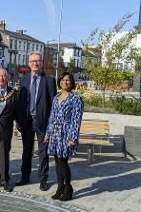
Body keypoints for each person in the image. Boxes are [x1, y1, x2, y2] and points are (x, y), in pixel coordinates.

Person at [16, 52, 56, 191]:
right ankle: (25, 177)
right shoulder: (24, 79)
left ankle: (43, 179)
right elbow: (21, 102)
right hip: (27, 121)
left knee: (43, 152)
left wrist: (51, 127)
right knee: (27, 151)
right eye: (32, 61)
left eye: (37, 61)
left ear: (42, 63)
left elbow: (53, 105)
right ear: (29, 63)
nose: (35, 63)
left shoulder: (49, 80)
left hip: (43, 122)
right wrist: (18, 121)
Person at [44, 72, 83, 201]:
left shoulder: (75, 98)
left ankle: (68, 188)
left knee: (62, 161)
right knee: (57, 162)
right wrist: (48, 134)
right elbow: (52, 117)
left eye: (67, 80)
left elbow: (76, 120)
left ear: (71, 83)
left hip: (66, 134)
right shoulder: (56, 97)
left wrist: (73, 138)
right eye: (62, 80)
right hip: (55, 134)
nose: (64, 82)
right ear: (59, 82)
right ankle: (60, 187)